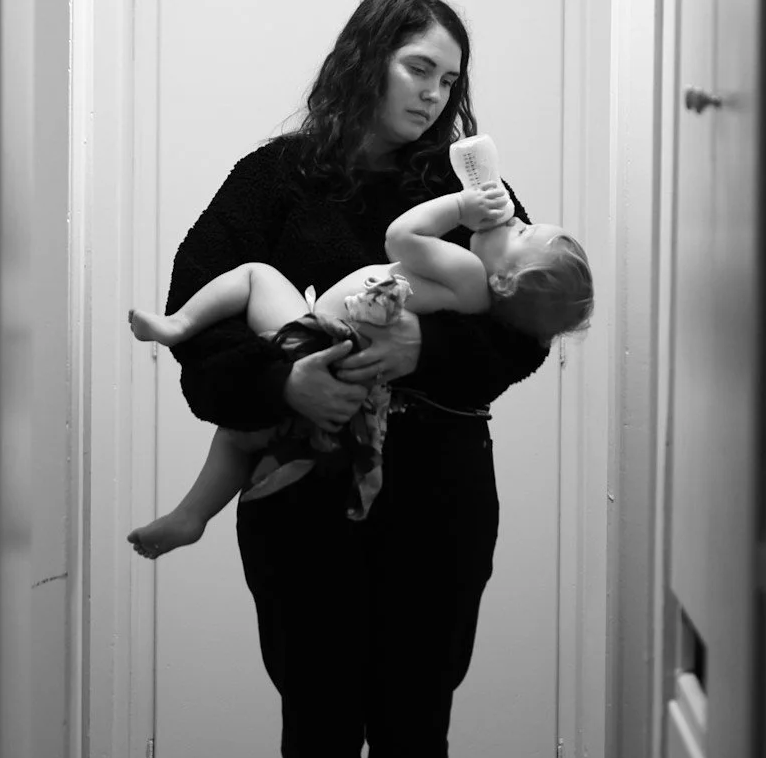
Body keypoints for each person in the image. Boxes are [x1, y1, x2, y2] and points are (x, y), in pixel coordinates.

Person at [150, 0, 557, 758]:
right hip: (299, 509)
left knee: (419, 731)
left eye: (452, 76)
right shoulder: (273, 180)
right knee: (320, 730)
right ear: (365, 59)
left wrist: (430, 349)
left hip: (439, 504)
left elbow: (530, 324)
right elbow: (201, 342)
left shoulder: (473, 190)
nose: (437, 91)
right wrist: (285, 389)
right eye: (420, 65)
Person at [127, 176, 592, 551]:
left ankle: (181, 324)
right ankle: (191, 515)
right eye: (420, 69)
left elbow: (400, 237)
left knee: (257, 277)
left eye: (525, 233)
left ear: (508, 280)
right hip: (341, 372)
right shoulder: (475, 295)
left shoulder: (470, 272)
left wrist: (459, 207)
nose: (515, 219)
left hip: (319, 339)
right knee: (243, 436)